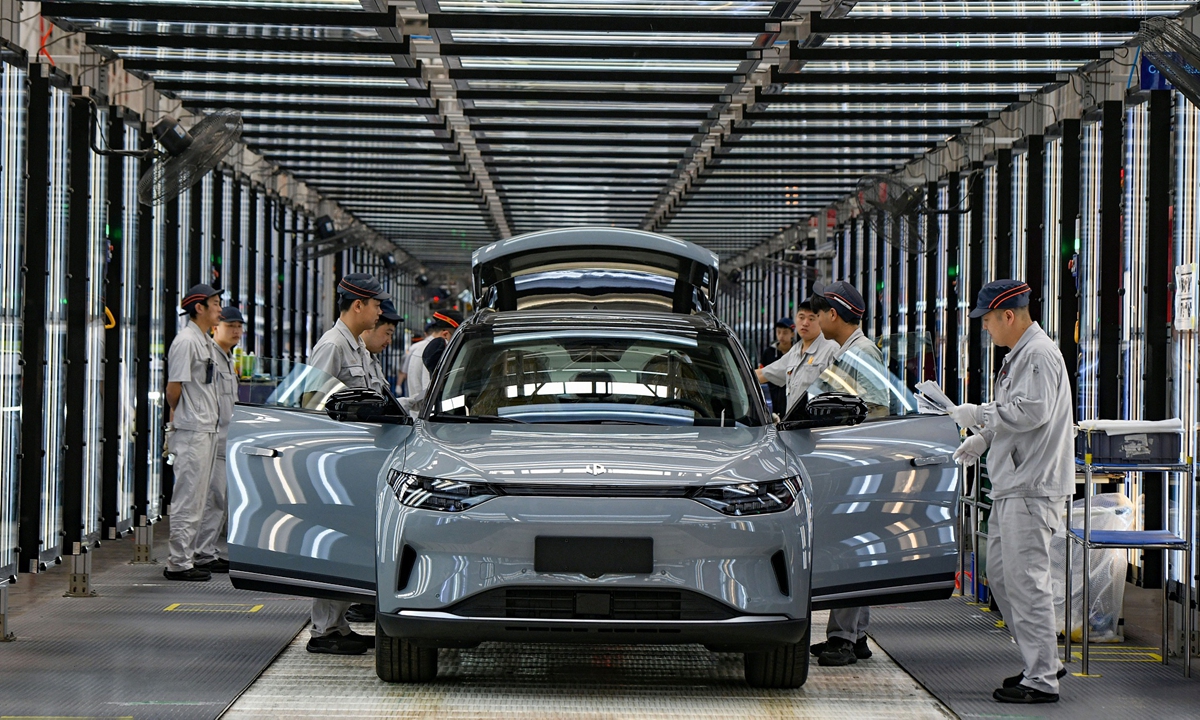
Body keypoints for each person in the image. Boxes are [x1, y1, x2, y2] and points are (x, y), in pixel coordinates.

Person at [948, 280, 1072, 704]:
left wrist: (978, 413)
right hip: (1012, 484)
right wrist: (982, 438)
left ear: (1008, 315)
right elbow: (1016, 411)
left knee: (1026, 581)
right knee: (1001, 576)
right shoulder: (1019, 356)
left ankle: (1042, 678)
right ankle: (1043, 660)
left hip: (1032, 487)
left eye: (986, 321)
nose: (986, 329)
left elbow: (1033, 411)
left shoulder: (1037, 354)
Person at [304, 272, 389, 655]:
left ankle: (336, 624)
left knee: (348, 542)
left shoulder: (357, 348)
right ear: (358, 305)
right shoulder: (333, 346)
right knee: (332, 540)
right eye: (375, 304)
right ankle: (322, 631)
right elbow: (310, 403)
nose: (379, 312)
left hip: (358, 459)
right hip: (334, 460)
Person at [807, 280, 882, 667]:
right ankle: (855, 634)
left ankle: (843, 638)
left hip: (857, 465)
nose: (816, 320)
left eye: (818, 313)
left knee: (850, 550)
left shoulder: (862, 353)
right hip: (848, 463)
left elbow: (877, 405)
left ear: (832, 315)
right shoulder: (847, 351)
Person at [163, 284, 224, 582]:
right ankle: (178, 563)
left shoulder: (205, 340)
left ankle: (188, 556)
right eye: (215, 302)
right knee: (188, 496)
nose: (220, 308)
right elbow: (173, 389)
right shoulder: (186, 341)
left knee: (199, 498)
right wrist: (185, 415)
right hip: (192, 430)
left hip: (205, 428)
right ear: (198, 307)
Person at [193, 306, 243, 574]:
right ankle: (201, 552)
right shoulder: (210, 356)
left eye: (239, 327)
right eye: (230, 326)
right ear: (216, 328)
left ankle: (207, 550)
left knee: (220, 499)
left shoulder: (225, 357)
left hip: (227, 439)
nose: (236, 331)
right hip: (213, 439)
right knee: (212, 498)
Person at [755, 300, 840, 416]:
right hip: (793, 428)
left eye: (811, 319)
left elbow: (841, 395)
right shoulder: (795, 351)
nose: (805, 323)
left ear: (820, 321)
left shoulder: (831, 350)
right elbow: (764, 374)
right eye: (801, 317)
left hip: (818, 429)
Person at [401, 311, 461, 418]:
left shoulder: (422, 348)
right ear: (445, 334)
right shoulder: (435, 352)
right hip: (429, 421)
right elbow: (431, 394)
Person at [363, 299, 402, 397]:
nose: (389, 340)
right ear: (371, 326)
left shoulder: (373, 361)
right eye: (387, 333)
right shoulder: (336, 347)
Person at [758, 317, 795, 414]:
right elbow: (761, 372)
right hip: (771, 400)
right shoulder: (768, 353)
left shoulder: (797, 353)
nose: (781, 336)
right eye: (778, 332)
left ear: (792, 333)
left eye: (785, 333)